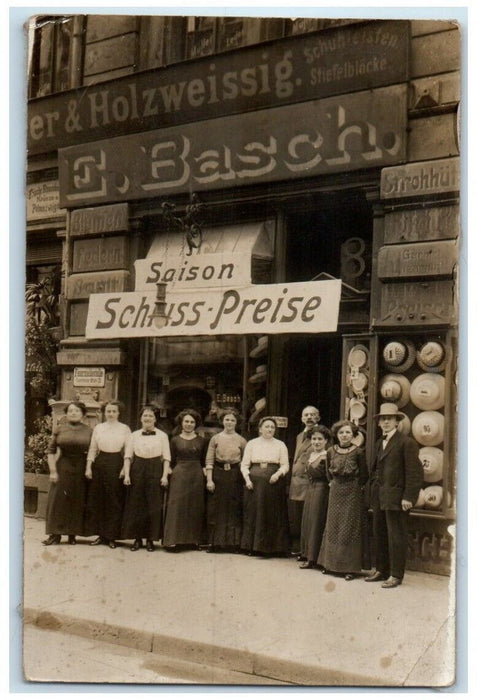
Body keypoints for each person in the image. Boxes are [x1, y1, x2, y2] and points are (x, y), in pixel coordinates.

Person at [365, 403, 423, 589]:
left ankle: (396, 574)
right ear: (379, 422)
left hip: (398, 498)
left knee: (396, 536)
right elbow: (375, 470)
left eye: (390, 419)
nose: (386, 422)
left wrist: (409, 497)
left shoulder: (407, 443)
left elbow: (415, 473)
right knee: (380, 533)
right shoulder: (379, 442)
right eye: (383, 419)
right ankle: (382, 570)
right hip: (380, 497)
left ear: (397, 422)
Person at [318, 420, 368, 580]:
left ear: (353, 435)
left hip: (352, 492)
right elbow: (328, 473)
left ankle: (349, 568)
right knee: (333, 525)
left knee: (349, 527)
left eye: (347, 432)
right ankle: (329, 564)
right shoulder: (330, 451)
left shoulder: (358, 452)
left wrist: (355, 487)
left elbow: (364, 475)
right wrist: (332, 482)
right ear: (336, 435)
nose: (344, 435)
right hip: (336, 491)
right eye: (341, 432)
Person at [121, 405, 171, 552]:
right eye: (145, 416)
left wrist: (164, 476)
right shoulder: (134, 435)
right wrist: (128, 474)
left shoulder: (163, 435)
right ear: (141, 418)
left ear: (155, 419)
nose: (147, 418)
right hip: (138, 468)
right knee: (137, 504)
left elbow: (167, 457)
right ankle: (137, 539)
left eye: (150, 416)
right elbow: (128, 456)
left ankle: (150, 539)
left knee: (153, 504)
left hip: (156, 467)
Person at [42, 401, 93, 545]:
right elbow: (50, 451)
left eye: (77, 411)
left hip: (81, 466)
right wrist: (53, 471)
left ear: (83, 414)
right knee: (57, 500)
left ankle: (72, 534)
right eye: (70, 411)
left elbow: (93, 451)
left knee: (78, 499)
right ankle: (55, 535)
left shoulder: (89, 430)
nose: (73, 413)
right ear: (66, 413)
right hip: (63, 465)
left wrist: (89, 468)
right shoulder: (59, 429)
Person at [240, 416, 290, 557]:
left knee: (272, 513)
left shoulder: (280, 444)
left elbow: (285, 464)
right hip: (254, 482)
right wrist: (247, 479)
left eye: (272, 427)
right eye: (266, 426)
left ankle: (273, 548)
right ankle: (252, 546)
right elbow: (244, 465)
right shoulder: (252, 443)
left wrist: (278, 474)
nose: (269, 429)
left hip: (273, 482)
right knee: (254, 512)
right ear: (260, 429)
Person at [85, 400, 131, 549]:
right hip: (100, 462)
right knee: (99, 499)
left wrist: (125, 469)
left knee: (114, 500)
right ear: (104, 413)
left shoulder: (125, 429)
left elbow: (128, 451)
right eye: (108, 411)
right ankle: (101, 535)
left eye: (114, 411)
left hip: (116, 462)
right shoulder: (98, 428)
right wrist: (89, 468)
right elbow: (92, 449)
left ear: (118, 413)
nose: (111, 414)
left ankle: (112, 536)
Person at [162, 409, 208, 550]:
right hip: (179, 473)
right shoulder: (174, 440)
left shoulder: (202, 440)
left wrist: (205, 473)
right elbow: (170, 460)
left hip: (196, 474)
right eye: (186, 421)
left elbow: (204, 461)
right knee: (177, 506)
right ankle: (174, 540)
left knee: (195, 506)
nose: (189, 424)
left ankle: (194, 540)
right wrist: (168, 472)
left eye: (192, 422)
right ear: (181, 423)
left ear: (196, 424)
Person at [204, 408, 247, 552]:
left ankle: (234, 543)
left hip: (235, 475)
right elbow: (209, 460)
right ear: (222, 421)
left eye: (232, 420)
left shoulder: (241, 440)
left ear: (236, 422)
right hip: (218, 474)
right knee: (216, 508)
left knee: (234, 508)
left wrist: (244, 479)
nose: (229, 422)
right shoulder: (215, 439)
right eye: (227, 419)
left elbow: (245, 462)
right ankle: (215, 543)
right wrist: (209, 480)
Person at [288, 405, 321, 558]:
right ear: (302, 418)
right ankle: (301, 549)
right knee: (298, 518)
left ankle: (309, 552)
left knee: (310, 518)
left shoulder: (321, 435)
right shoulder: (300, 436)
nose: (309, 418)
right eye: (306, 415)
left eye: (312, 415)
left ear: (318, 418)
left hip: (309, 482)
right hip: (296, 482)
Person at [298, 425, 331, 570]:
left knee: (317, 521)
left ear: (326, 441)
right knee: (308, 520)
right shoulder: (311, 455)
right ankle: (306, 553)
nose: (316, 442)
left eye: (320, 439)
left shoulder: (326, 456)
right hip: (310, 489)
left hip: (321, 490)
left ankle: (314, 558)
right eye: (314, 439)